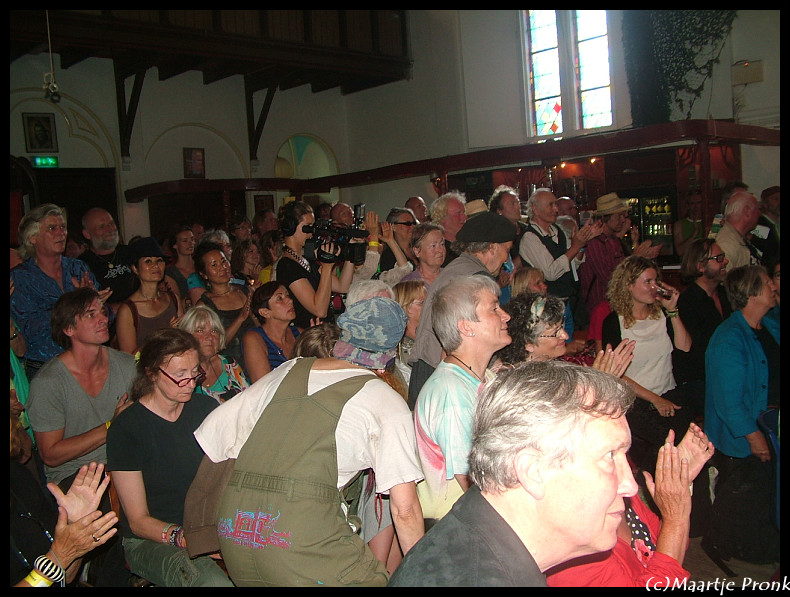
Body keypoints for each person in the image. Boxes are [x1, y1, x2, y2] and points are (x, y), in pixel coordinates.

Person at [192, 297, 425, 586]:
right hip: (299, 543)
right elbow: (405, 510)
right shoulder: (385, 400)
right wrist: (424, 576)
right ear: (391, 351)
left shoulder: (289, 369)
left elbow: (213, 435)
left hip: (236, 535)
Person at [388, 360, 639, 587]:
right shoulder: (480, 577)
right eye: (610, 456)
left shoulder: (475, 537)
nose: (630, 485)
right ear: (533, 470)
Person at [25, 287, 136, 586]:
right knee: (116, 513)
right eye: (90, 314)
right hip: (76, 476)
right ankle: (97, 571)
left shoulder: (126, 366)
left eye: (103, 311)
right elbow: (51, 454)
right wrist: (110, 426)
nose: (103, 318)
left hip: (123, 462)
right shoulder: (49, 382)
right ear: (69, 329)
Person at [106, 328, 233, 587]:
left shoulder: (206, 409)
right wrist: (191, 539)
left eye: (195, 372)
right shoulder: (128, 428)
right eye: (179, 375)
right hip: (151, 540)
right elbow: (138, 521)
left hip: (206, 526)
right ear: (152, 373)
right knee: (211, 582)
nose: (191, 383)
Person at [546, 423, 715, 587]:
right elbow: (671, 553)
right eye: (610, 456)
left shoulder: (624, 499)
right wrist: (675, 518)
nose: (632, 484)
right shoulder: (574, 556)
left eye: (624, 454)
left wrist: (678, 482)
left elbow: (670, 548)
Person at [414, 274, 512, 522]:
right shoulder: (452, 393)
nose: (506, 316)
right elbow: (474, 483)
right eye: (494, 309)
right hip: (459, 526)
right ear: (466, 327)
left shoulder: (483, 378)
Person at [703, 264, 779, 565]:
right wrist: (755, 437)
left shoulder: (768, 325)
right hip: (746, 433)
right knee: (749, 495)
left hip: (769, 422)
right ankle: (730, 543)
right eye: (767, 282)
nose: (773, 286)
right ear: (750, 294)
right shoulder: (729, 339)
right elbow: (729, 402)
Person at [408, 211, 515, 408]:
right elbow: (466, 336)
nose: (506, 259)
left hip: (428, 373)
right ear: (492, 247)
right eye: (506, 250)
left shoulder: (459, 267)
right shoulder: (476, 279)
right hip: (444, 380)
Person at [602, 255, 694, 476]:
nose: (654, 288)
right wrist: (654, 399)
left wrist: (673, 311)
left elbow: (685, 348)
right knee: (668, 447)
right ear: (629, 285)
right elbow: (615, 374)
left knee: (684, 445)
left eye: (656, 281)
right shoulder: (614, 322)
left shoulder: (662, 315)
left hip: (669, 393)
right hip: (635, 402)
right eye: (648, 282)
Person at [11, 415, 119, 588]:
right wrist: (59, 557)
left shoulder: (18, 478)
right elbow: (58, 560)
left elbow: (66, 577)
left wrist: (75, 527)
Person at [10, 204, 109, 381]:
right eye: (52, 228)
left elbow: (107, 318)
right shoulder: (20, 278)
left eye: (63, 227)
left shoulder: (77, 268)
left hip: (89, 362)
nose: (61, 233)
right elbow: (29, 330)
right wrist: (74, 305)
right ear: (32, 237)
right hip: (46, 369)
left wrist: (96, 304)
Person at [496, 291, 634, 376]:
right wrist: (601, 383)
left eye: (561, 327)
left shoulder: (549, 369)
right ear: (529, 343)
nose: (566, 336)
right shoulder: (520, 384)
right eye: (555, 332)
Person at [519, 188, 602, 329]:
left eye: (556, 205)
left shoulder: (558, 231)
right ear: (535, 209)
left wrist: (582, 244)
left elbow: (573, 265)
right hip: (545, 309)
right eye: (550, 205)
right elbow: (551, 273)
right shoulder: (530, 237)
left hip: (566, 302)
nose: (556, 209)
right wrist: (576, 246)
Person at [674, 239, 732, 419]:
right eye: (718, 258)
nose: (725, 261)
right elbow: (692, 355)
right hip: (702, 381)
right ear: (700, 266)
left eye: (723, 257)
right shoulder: (688, 302)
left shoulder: (725, 294)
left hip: (726, 373)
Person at [580, 193, 660, 323]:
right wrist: (636, 257)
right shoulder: (594, 243)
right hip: (600, 308)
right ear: (605, 218)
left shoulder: (613, 240)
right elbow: (610, 279)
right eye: (618, 216)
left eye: (623, 216)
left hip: (615, 306)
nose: (623, 220)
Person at [276, 200, 355, 330]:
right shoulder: (287, 266)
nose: (311, 232)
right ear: (291, 227)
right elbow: (319, 310)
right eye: (307, 227)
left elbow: (343, 286)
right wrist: (327, 267)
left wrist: (350, 250)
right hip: (309, 334)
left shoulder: (306, 259)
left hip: (325, 330)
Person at [194, 240, 255, 375]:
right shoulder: (204, 306)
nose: (222, 268)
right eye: (214, 265)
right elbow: (213, 346)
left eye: (224, 261)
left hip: (256, 358)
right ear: (204, 274)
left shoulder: (245, 291)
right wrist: (240, 318)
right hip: (230, 369)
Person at [115, 237, 183, 355]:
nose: (155, 265)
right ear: (135, 268)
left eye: (159, 260)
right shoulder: (128, 310)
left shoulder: (173, 299)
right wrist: (163, 336)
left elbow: (185, 339)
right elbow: (129, 358)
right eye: (148, 261)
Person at [177, 305, 250, 403]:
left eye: (214, 331)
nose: (210, 337)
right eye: (200, 331)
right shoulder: (181, 377)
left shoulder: (229, 363)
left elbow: (250, 397)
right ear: (185, 337)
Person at [509, 266, 584, 354]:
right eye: (538, 283)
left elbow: (568, 338)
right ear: (523, 288)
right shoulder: (516, 318)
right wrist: (567, 349)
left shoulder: (558, 308)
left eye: (543, 282)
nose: (545, 286)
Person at [78, 207, 138, 315]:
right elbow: (87, 308)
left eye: (111, 223)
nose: (110, 229)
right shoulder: (81, 265)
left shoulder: (130, 252)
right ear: (87, 234)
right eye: (102, 226)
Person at [242, 281, 301, 383]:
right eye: (279, 298)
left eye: (287, 295)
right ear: (265, 312)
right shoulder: (254, 338)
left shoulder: (299, 333)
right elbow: (263, 385)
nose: (290, 300)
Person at [187, 229, 241, 306]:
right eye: (221, 246)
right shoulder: (196, 280)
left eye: (228, 245)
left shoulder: (230, 274)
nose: (227, 249)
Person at [713, 190, 762, 269]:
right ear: (747, 211)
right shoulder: (727, 244)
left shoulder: (738, 238)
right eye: (757, 209)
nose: (759, 213)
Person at [392, 279, 427, 386]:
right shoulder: (397, 350)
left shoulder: (430, 336)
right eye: (422, 302)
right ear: (406, 308)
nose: (429, 306)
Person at [489, 184, 528, 273]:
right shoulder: (497, 236)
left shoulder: (527, 229)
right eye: (512, 204)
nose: (518, 207)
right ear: (499, 211)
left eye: (518, 202)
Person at [400, 222, 446, 287]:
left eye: (442, 244)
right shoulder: (409, 285)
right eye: (433, 246)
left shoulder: (452, 276)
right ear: (417, 251)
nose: (440, 250)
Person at [376, 207, 418, 276]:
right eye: (407, 224)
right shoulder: (388, 255)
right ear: (393, 227)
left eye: (414, 223)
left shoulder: (419, 248)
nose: (413, 227)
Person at [429, 191, 467, 266]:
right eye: (458, 213)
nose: (464, 217)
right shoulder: (438, 252)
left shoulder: (470, 244)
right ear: (442, 218)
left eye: (464, 212)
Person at [164, 224, 196, 303]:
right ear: (175, 245)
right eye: (185, 241)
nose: (190, 243)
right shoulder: (170, 272)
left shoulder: (202, 265)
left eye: (192, 239)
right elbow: (177, 302)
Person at [750, 185, 780, 267]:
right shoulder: (759, 225)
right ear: (765, 204)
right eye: (776, 199)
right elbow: (765, 251)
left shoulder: (777, 224)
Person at [673, 191, 706, 258]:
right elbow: (679, 251)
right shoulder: (679, 225)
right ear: (688, 206)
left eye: (698, 203)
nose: (696, 206)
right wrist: (694, 234)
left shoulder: (709, 223)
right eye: (692, 203)